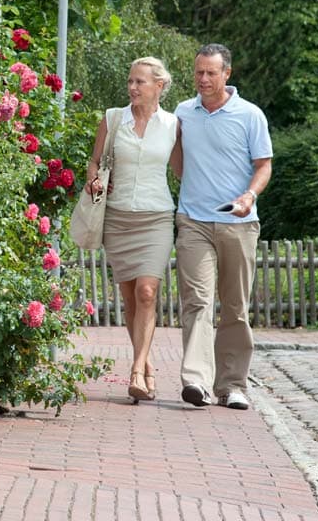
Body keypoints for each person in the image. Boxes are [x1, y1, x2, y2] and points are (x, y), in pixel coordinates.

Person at [170, 43, 273, 410]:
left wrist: (249, 195)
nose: (203, 79)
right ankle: (196, 381)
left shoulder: (250, 115)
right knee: (197, 301)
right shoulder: (183, 112)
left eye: (211, 73)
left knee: (235, 307)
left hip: (238, 224)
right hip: (193, 221)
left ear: (227, 74)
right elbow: (177, 160)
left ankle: (231, 385)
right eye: (199, 72)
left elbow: (264, 165)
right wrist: (193, 187)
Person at [85, 57, 178, 403]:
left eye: (140, 82)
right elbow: (94, 161)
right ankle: (147, 363)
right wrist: (93, 180)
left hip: (157, 217)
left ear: (159, 86)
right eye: (130, 81)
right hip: (118, 217)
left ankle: (136, 370)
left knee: (147, 292)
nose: (132, 87)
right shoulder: (113, 119)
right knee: (129, 299)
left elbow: (184, 169)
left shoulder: (173, 125)